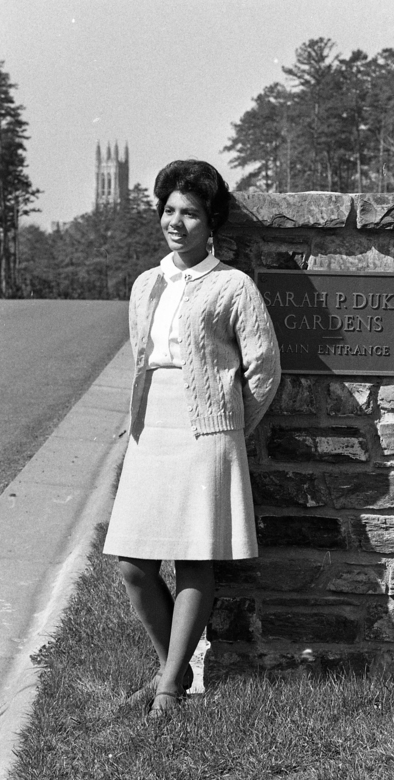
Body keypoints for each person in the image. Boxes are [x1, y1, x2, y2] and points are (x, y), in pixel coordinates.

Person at [103, 159, 281, 717]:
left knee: (195, 557)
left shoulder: (233, 285)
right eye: (169, 210)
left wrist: (225, 430)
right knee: (133, 563)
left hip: (206, 429)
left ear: (212, 223)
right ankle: (174, 674)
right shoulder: (145, 284)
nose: (175, 222)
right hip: (150, 427)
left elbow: (264, 370)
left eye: (190, 213)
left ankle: (166, 689)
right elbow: (143, 359)